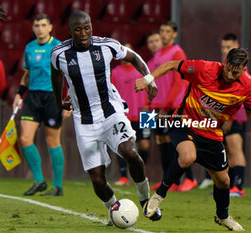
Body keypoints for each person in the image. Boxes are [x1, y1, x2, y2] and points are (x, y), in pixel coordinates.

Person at [135, 48, 251, 231]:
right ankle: (157, 198)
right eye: (228, 69)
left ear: (244, 69)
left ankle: (222, 216)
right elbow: (171, 65)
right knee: (187, 157)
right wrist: (148, 79)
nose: (230, 74)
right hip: (183, 122)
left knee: (223, 181)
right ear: (225, 62)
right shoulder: (204, 69)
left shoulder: (248, 85)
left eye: (236, 71)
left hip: (211, 133)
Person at [50, 11, 161, 221]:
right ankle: (114, 211)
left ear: (91, 26)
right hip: (84, 121)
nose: (83, 33)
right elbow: (55, 74)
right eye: (78, 29)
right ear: (70, 30)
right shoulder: (59, 53)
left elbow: (134, 57)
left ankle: (146, 200)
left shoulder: (106, 45)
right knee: (98, 180)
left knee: (130, 152)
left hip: (111, 112)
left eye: (87, 27)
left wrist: (149, 79)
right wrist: (58, 101)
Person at [12, 14, 69, 196]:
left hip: (53, 98)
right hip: (33, 98)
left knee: (52, 141)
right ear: (33, 28)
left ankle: (58, 186)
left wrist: (70, 102)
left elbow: (70, 74)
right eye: (37, 25)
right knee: (25, 139)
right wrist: (19, 94)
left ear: (50, 27)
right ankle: (39, 180)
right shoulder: (29, 48)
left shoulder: (58, 47)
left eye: (43, 25)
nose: (40, 28)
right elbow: (27, 75)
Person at [148, 21, 197, 192]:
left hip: (172, 106)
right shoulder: (159, 53)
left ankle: (190, 178)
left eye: (167, 31)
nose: (163, 34)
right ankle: (169, 181)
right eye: (162, 30)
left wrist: (166, 106)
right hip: (158, 105)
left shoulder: (177, 52)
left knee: (178, 142)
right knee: (161, 141)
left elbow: (178, 82)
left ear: (174, 34)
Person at [198, 33, 248, 198]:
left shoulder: (240, 67)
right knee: (225, 151)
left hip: (235, 115)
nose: (225, 50)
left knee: (235, 149)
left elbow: (240, 96)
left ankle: (239, 187)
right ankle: (229, 185)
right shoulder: (224, 65)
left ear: (236, 45)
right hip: (222, 116)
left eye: (229, 47)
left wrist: (230, 118)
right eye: (223, 47)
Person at [111, 41, 151, 186]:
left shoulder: (142, 69)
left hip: (145, 113)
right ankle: (123, 176)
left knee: (145, 145)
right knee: (122, 145)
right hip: (123, 115)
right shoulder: (114, 72)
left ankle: (139, 172)